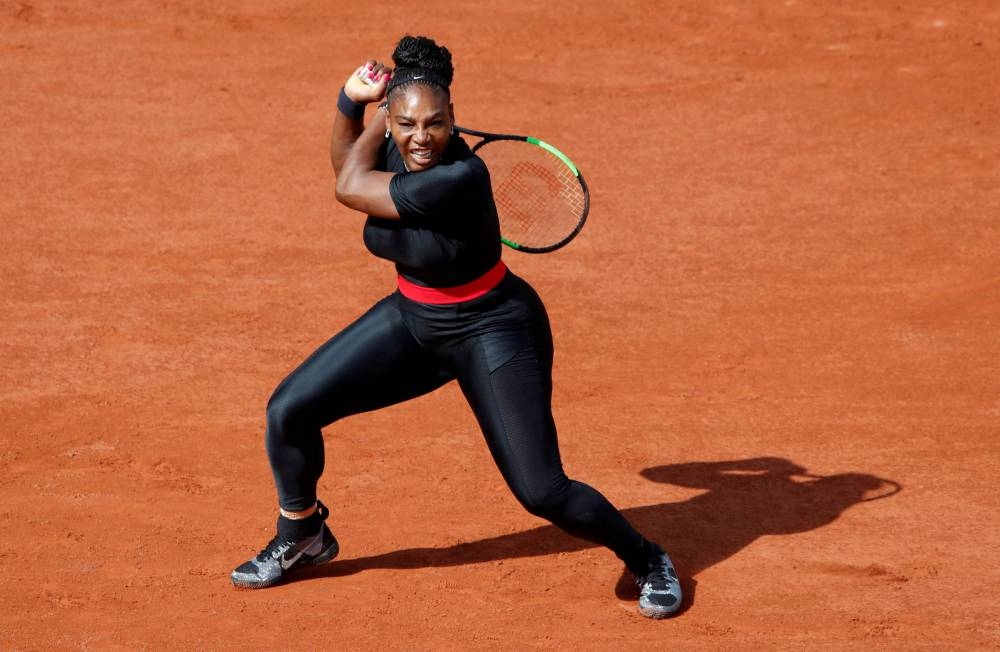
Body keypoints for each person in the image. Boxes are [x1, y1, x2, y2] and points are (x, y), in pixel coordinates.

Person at [229, 35, 682, 619]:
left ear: (453, 120)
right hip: (415, 321)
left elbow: (348, 186)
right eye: (410, 124)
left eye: (436, 124)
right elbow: (346, 163)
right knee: (289, 408)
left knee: (542, 491)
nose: (423, 137)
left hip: (493, 329)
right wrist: (352, 105)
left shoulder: (458, 176)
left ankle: (649, 559)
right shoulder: (403, 146)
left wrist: (380, 109)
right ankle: (304, 533)